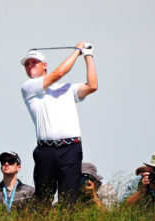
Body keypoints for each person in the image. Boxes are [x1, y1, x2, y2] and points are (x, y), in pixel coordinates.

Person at [20, 42, 98, 206]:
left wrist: (88, 55)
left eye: (34, 62)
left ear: (44, 65)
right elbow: (59, 73)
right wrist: (77, 51)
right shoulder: (28, 87)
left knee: (69, 198)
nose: (29, 66)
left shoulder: (67, 88)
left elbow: (92, 86)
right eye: (27, 64)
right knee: (43, 198)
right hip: (45, 150)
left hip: (71, 149)